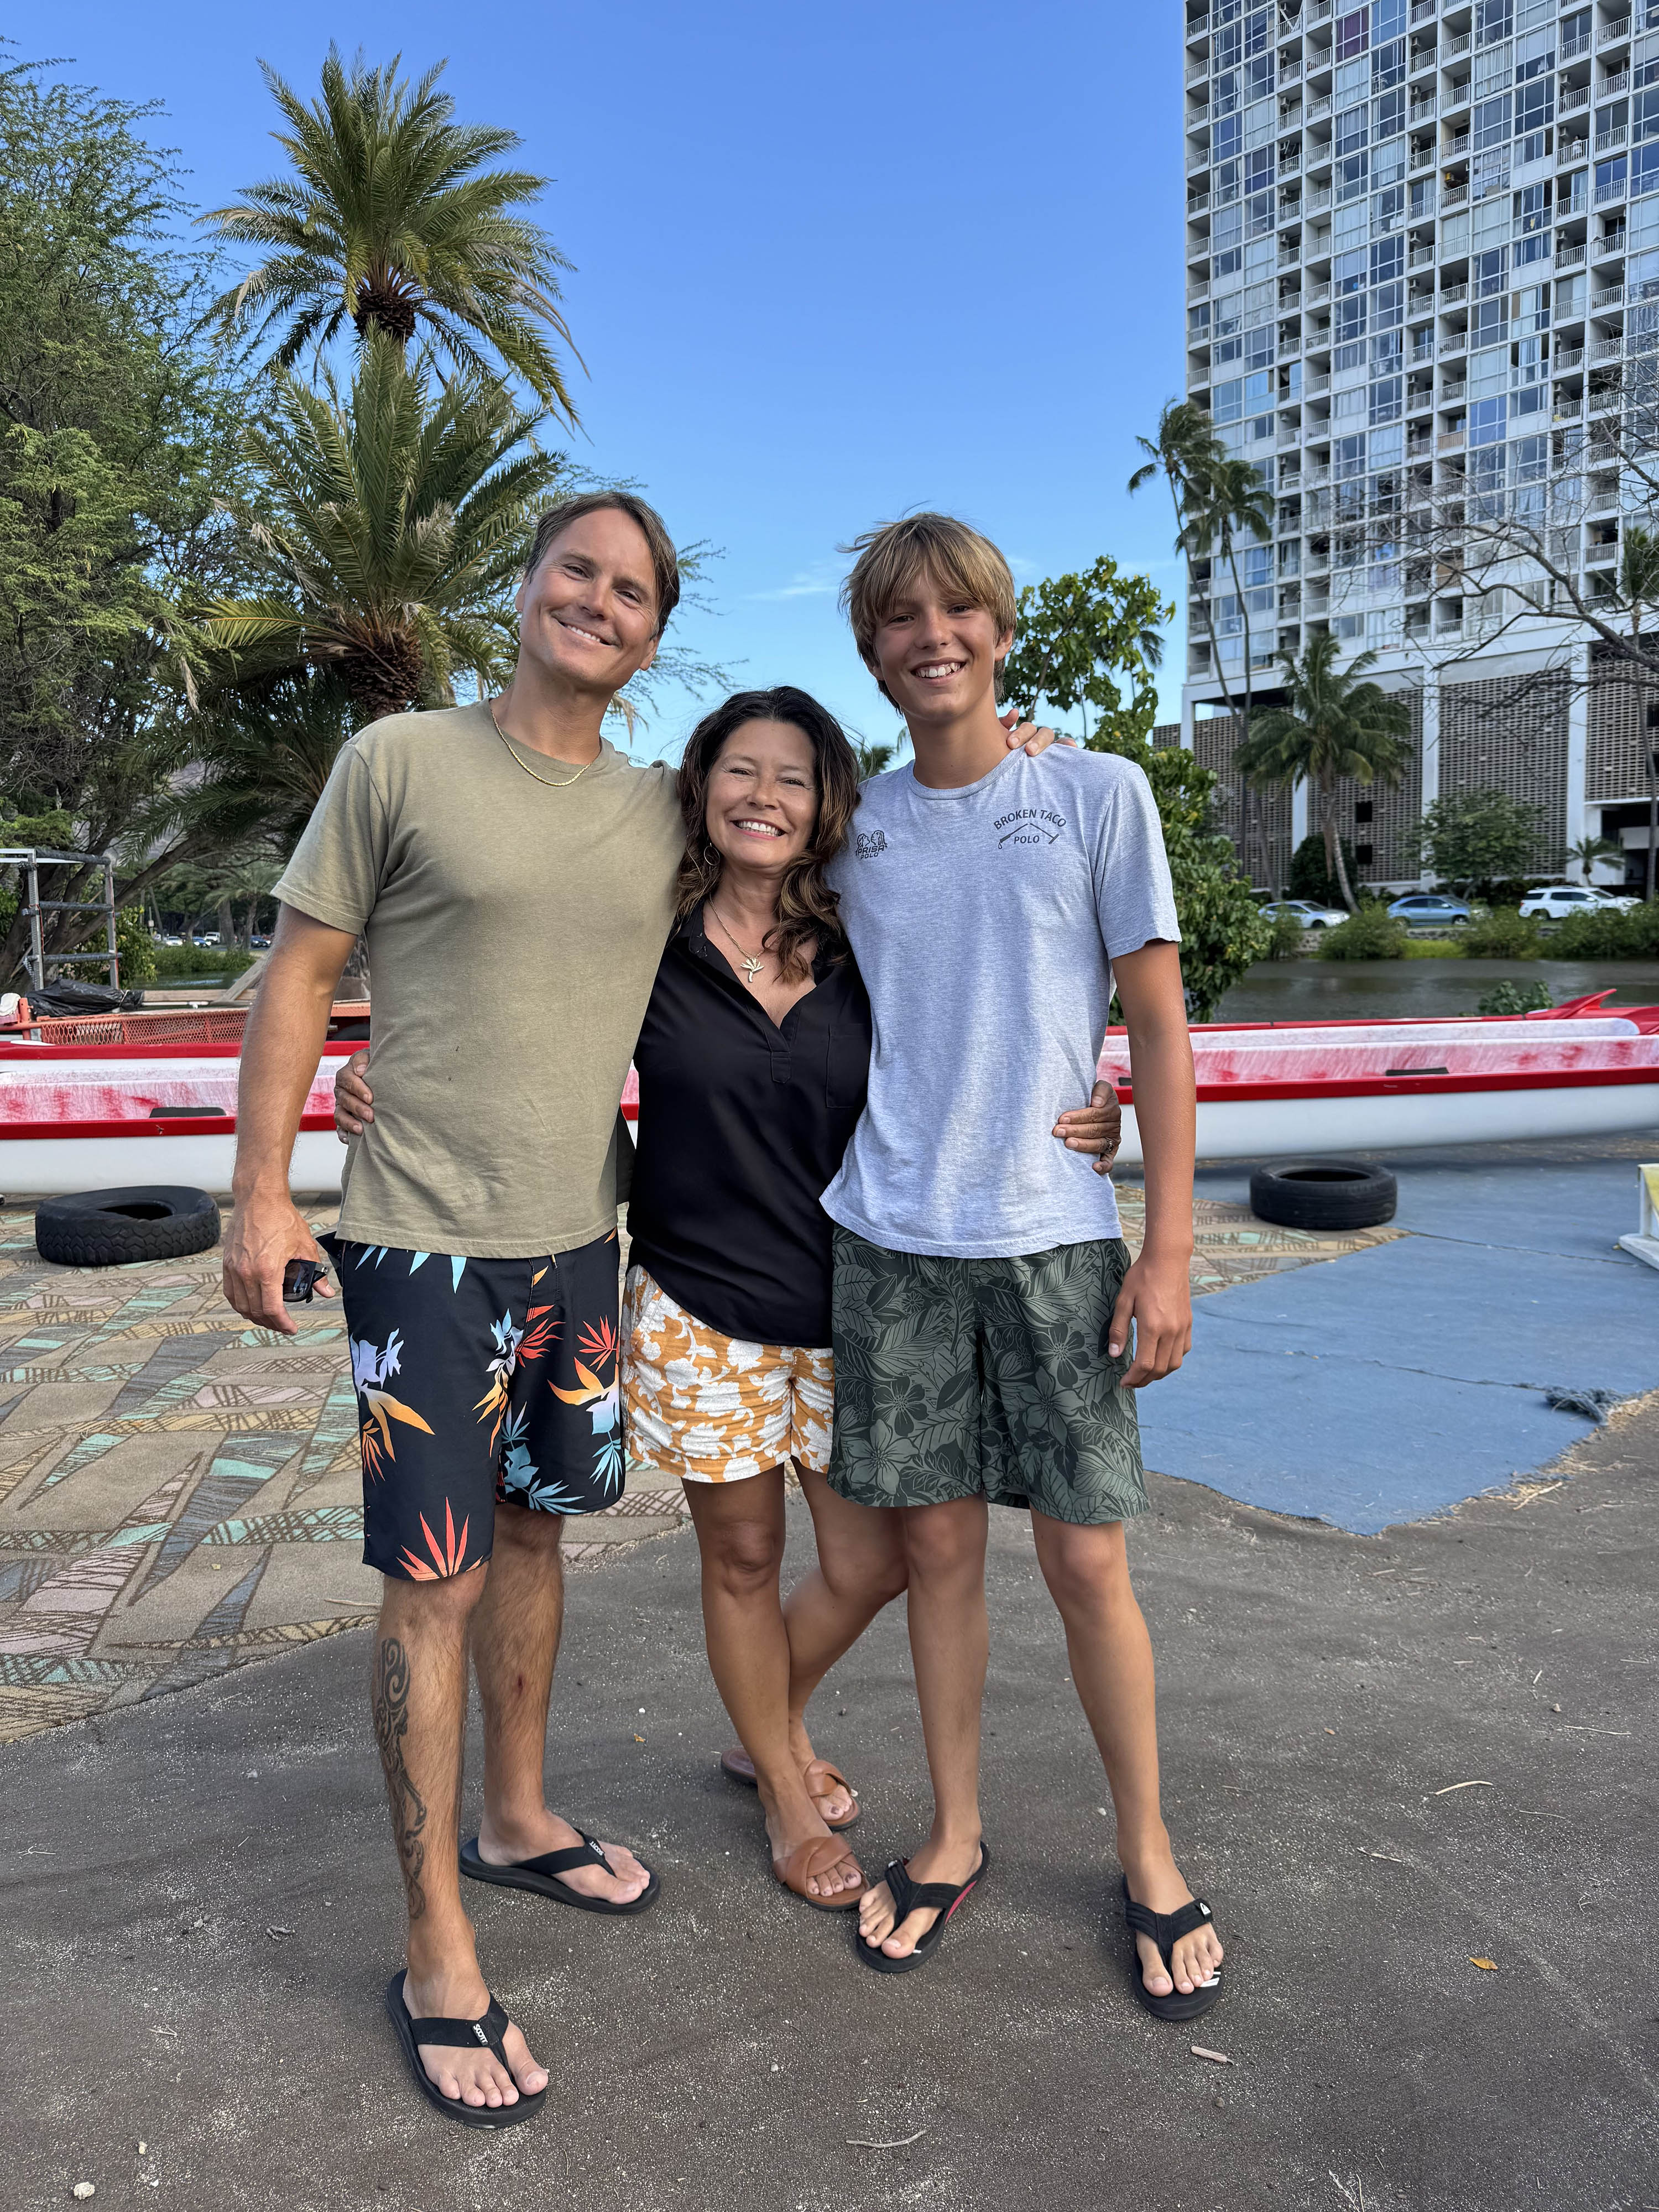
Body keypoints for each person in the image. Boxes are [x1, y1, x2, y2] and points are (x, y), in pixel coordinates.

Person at [227, 488, 1091, 2128]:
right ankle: (437, 1950)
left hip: (589, 1251)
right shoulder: (407, 763)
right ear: (528, 585)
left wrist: (1010, 748)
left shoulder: (689, 831)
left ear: (653, 634)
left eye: (633, 591)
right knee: (437, 1579)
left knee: (539, 1538)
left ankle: (521, 1816)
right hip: (431, 1243)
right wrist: (265, 1185)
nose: (601, 603)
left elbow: (939, 880)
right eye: (580, 572)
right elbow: (305, 968)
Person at [333, 684, 1125, 1916]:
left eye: (794, 777)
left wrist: (1091, 1104)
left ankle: (768, 1721)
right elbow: (515, 1003)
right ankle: (784, 1791)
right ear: (700, 788)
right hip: (700, 1297)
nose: (765, 796)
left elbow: (987, 1021)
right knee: (745, 1557)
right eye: (741, 771)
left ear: (828, 804)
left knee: (873, 1562)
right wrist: (388, 1079)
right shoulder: (647, 932)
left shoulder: (866, 924)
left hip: (863, 1291)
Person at [821, 513, 1225, 2017]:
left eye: (958, 612)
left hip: (1057, 1236)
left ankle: (1150, 1854)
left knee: (1087, 1559)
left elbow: (1160, 1030)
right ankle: (954, 1832)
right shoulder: (850, 826)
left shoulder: (1097, 792)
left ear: (998, 630)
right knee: (936, 1558)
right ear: (873, 652)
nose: (932, 636)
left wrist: (1167, 1247)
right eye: (901, 617)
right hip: (894, 1238)